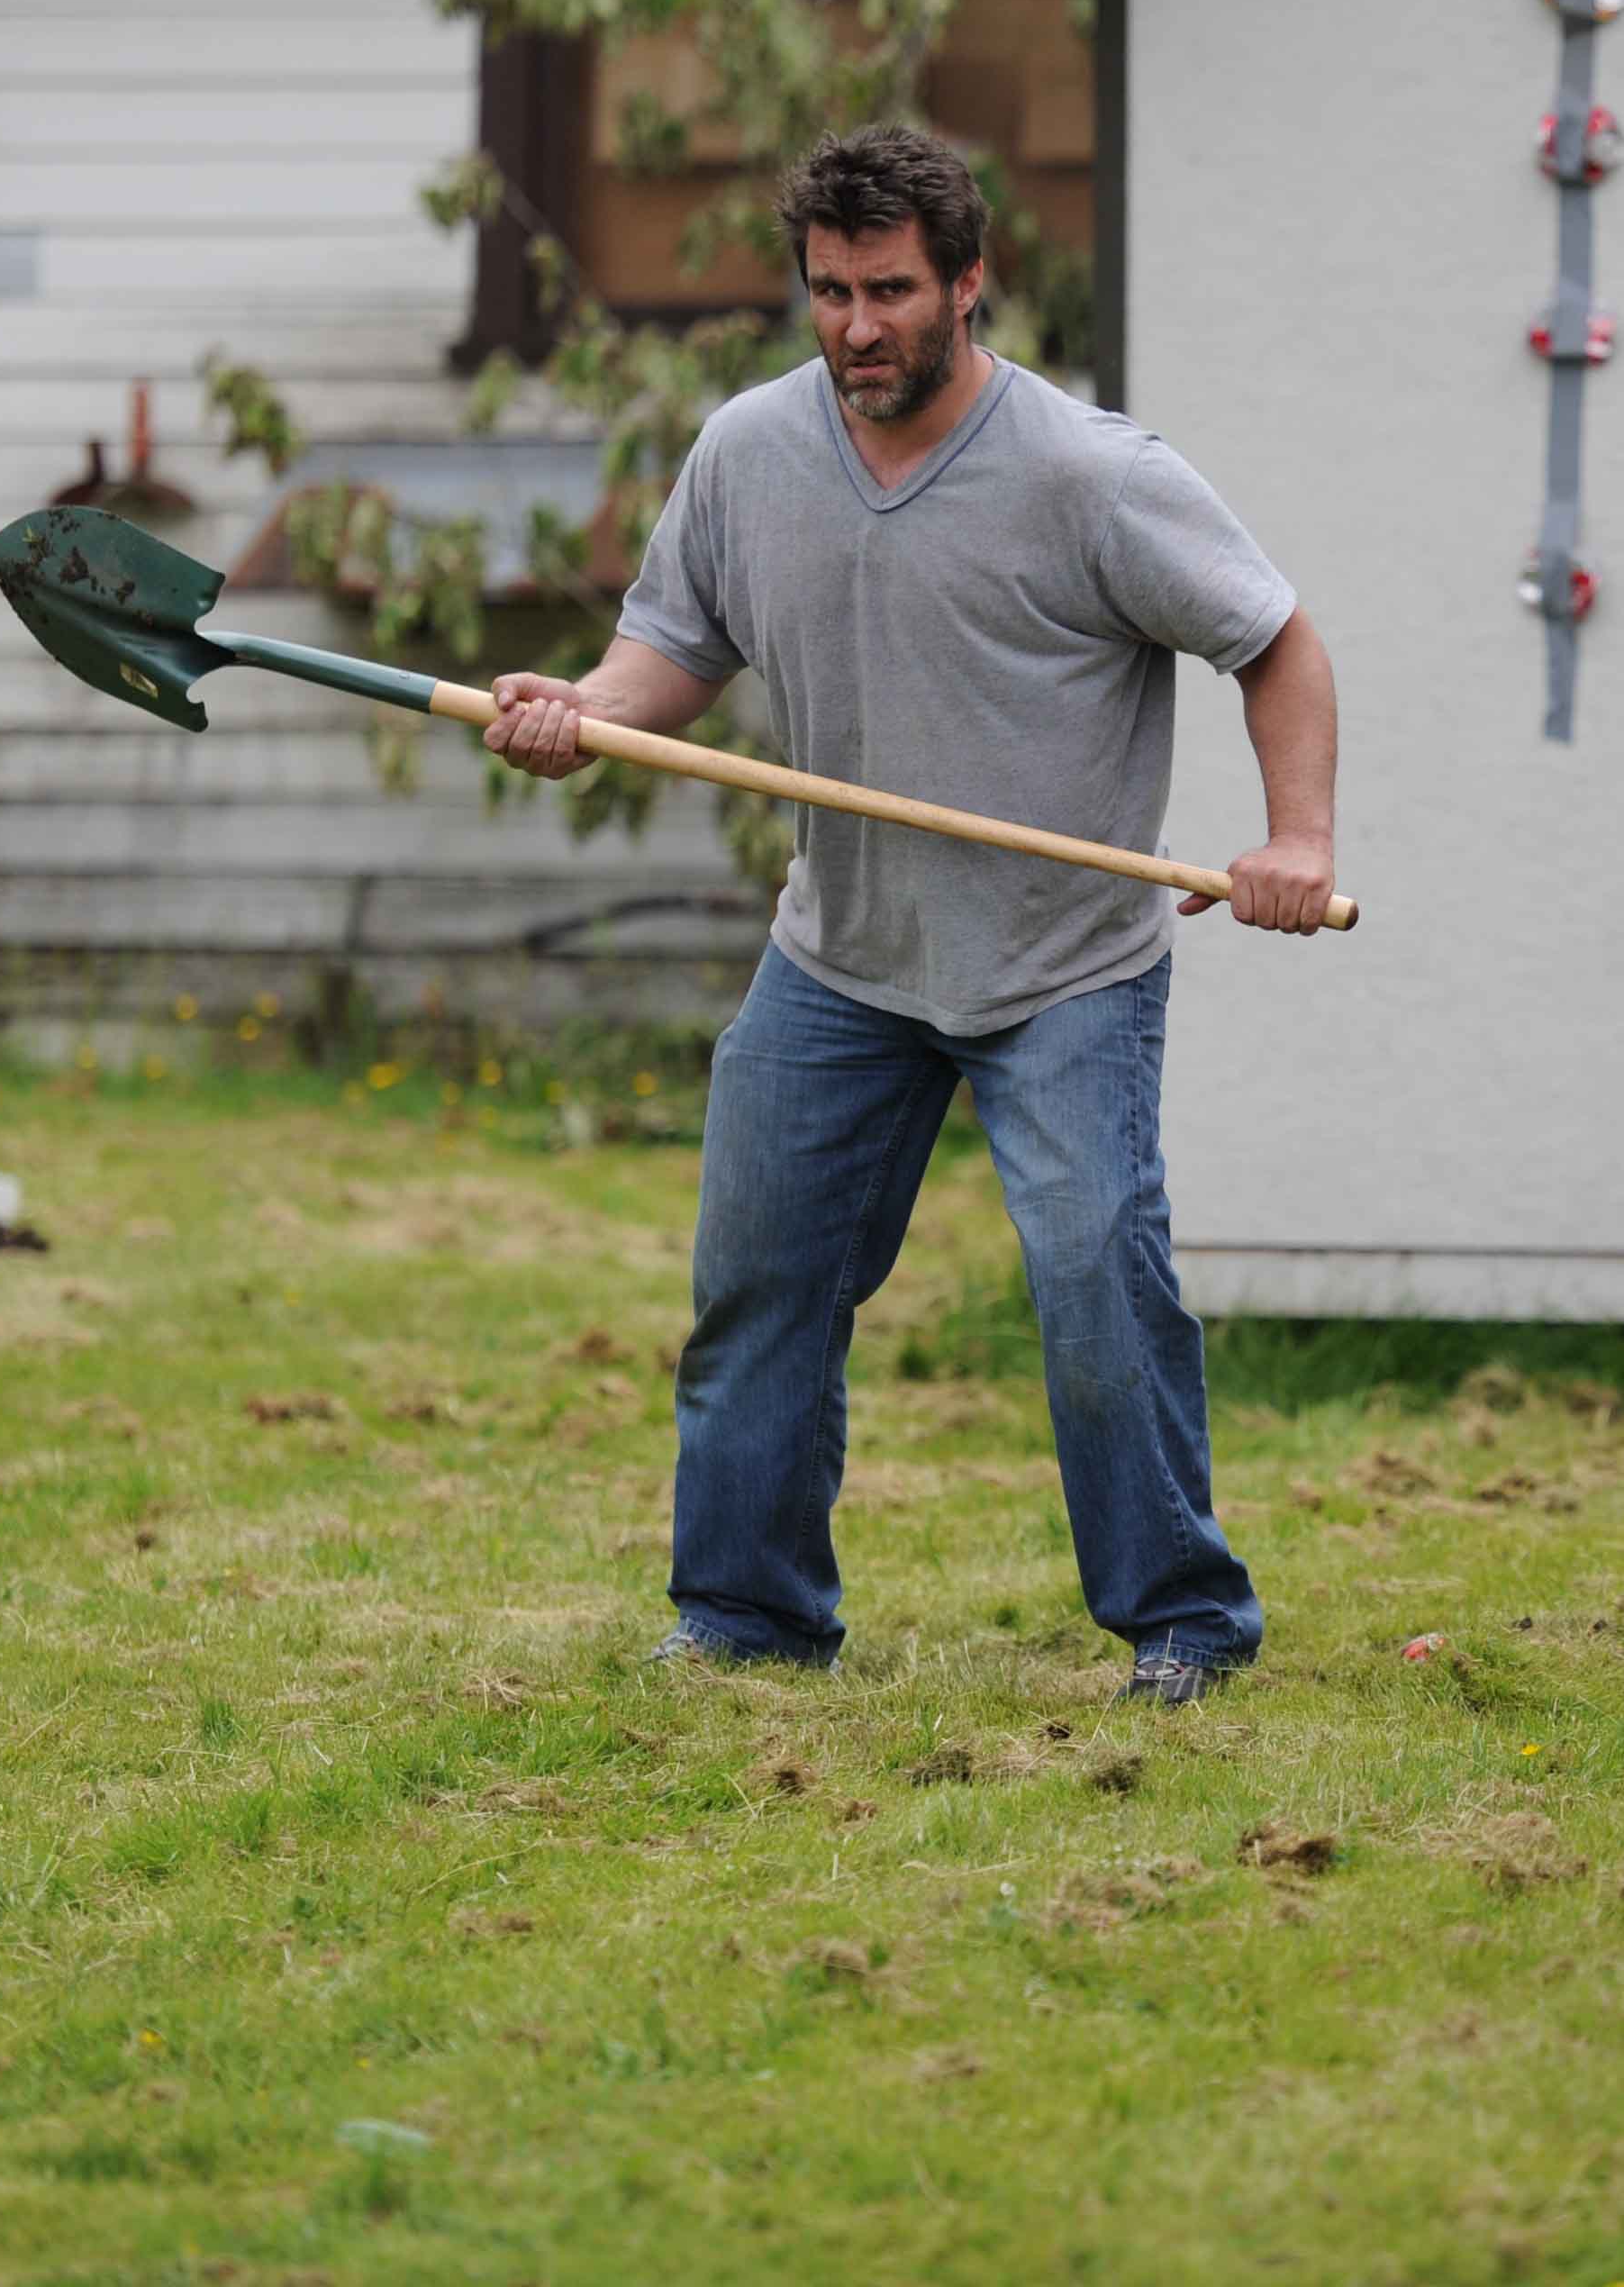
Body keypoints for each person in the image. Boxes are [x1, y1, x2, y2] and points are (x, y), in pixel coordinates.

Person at [487, 125, 1338, 1707]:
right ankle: (747, 1616)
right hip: (847, 958)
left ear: (968, 282)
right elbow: (670, 648)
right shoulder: (749, 452)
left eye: (889, 290)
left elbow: (1276, 642)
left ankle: (1184, 1621)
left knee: (1095, 1277)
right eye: (827, 291)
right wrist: (581, 708)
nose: (856, 325)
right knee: (760, 1280)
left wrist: (1295, 837)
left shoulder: (1091, 476)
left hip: (1062, 964)